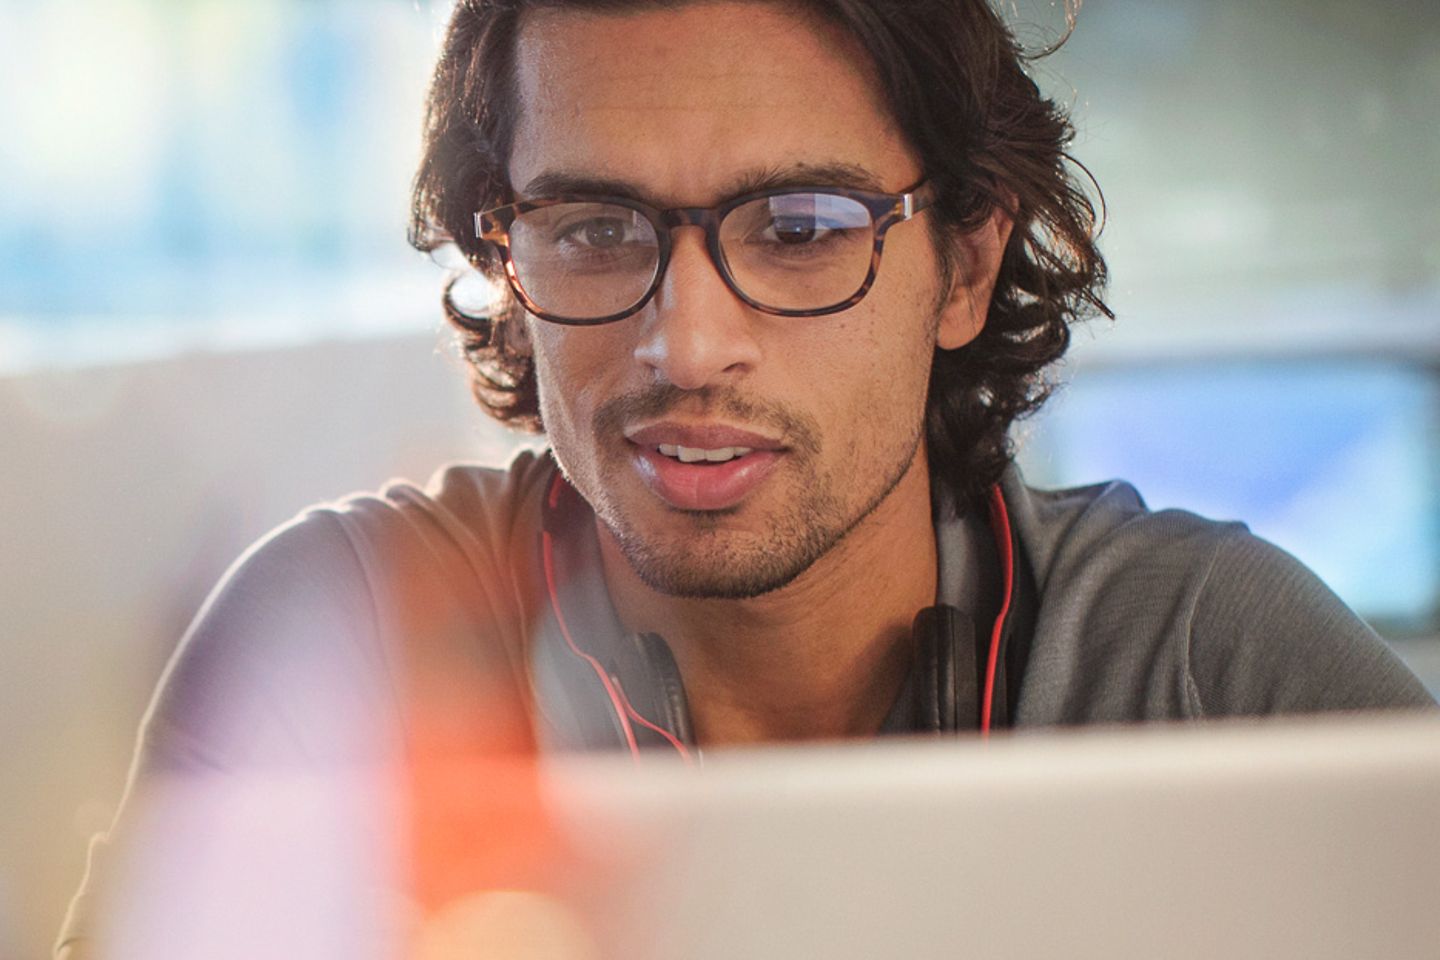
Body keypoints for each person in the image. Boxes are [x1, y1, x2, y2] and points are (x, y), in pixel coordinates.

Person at [57, 0, 1435, 956]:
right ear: (504, 264)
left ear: (962, 263)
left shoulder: (1205, 659)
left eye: (799, 227)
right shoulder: (346, 638)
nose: (687, 343)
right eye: (594, 228)